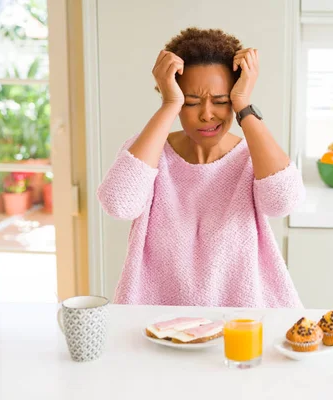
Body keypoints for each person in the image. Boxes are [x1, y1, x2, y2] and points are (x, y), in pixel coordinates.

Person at [97, 28, 304, 308]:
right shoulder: (150, 152)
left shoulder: (253, 156)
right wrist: (169, 103)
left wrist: (243, 104)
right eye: (191, 102)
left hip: (240, 323)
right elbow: (119, 204)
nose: (207, 114)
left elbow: (284, 202)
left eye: (221, 101)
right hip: (155, 321)